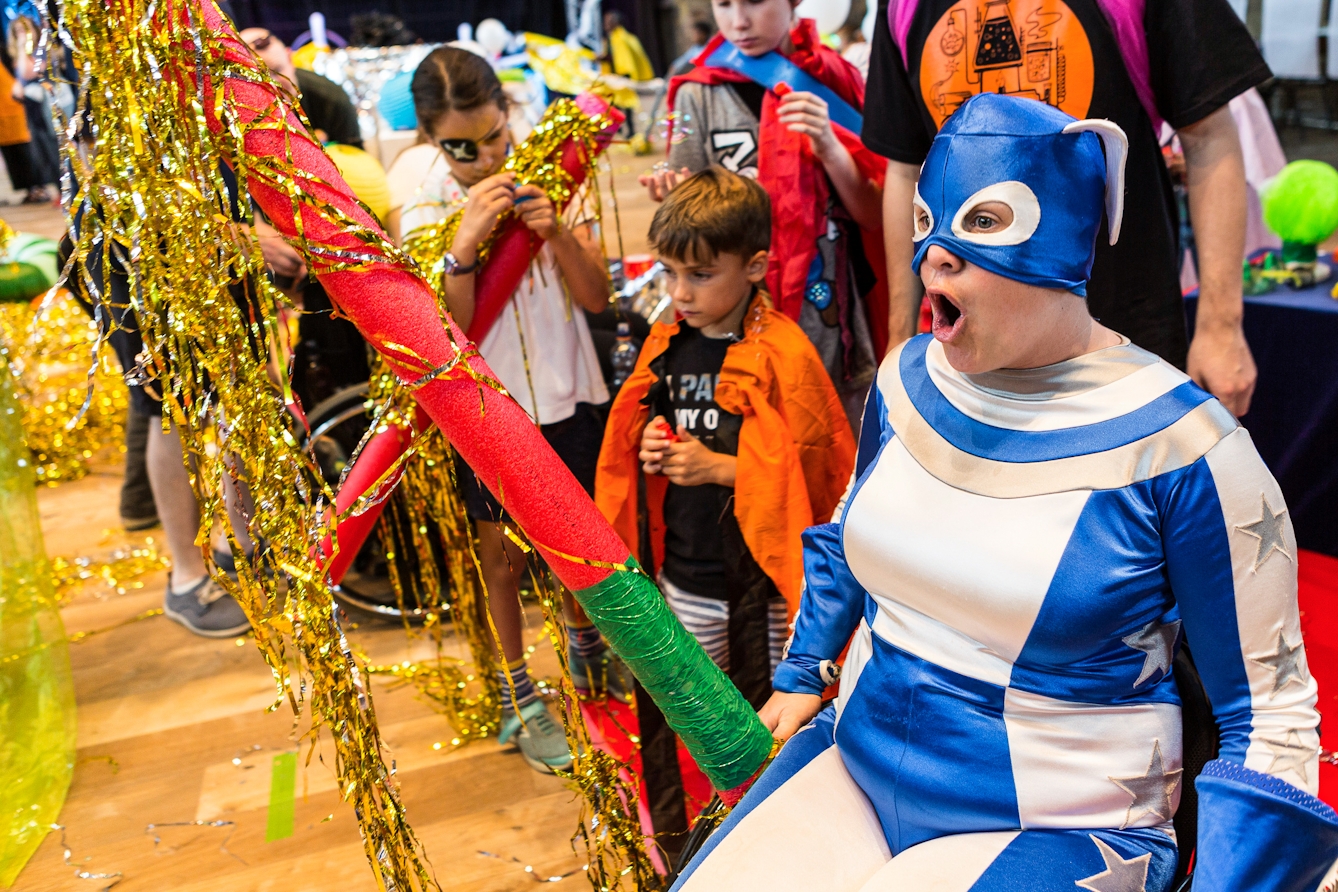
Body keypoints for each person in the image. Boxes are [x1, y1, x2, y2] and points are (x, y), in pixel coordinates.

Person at [671, 93, 1333, 892]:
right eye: (926, 222)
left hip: (1062, 823)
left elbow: (1268, 717)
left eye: (982, 222)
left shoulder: (1184, 447)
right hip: (857, 761)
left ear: (1067, 234)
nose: (933, 257)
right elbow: (850, 529)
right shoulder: (907, 380)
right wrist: (803, 668)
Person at [596, 168, 855, 854]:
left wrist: (722, 469)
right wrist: (646, 437)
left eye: (701, 275)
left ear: (756, 266)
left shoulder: (787, 354)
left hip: (765, 595)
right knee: (692, 717)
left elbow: (818, 477)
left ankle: (785, 845)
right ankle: (707, 845)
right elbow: (637, 435)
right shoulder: (668, 342)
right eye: (671, 273)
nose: (680, 293)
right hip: (687, 580)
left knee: (771, 721)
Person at [865, 0, 1270, 419]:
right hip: (967, 347)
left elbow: (1207, 135)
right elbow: (907, 166)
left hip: (1121, 336)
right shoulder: (904, 6)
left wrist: (1221, 326)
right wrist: (899, 346)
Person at [397, 46, 621, 775]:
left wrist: (555, 231)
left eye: (494, 136)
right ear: (431, 138)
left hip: (567, 387)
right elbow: (443, 336)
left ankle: (588, 656)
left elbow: (596, 299)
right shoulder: (424, 197)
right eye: (462, 146)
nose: (484, 156)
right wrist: (462, 246)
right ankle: (517, 697)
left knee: (581, 542)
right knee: (501, 560)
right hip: (484, 406)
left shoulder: (552, 168)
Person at [642, 0, 887, 431]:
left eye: (754, 2)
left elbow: (872, 214)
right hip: (732, 313)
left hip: (825, 315)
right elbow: (687, 214)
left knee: (829, 441)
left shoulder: (834, 78)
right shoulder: (695, 92)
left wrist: (830, 147)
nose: (738, 21)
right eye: (723, 4)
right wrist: (671, 193)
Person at [239, 28, 363, 149]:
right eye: (259, 77)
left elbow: (358, 161)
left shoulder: (331, 99)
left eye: (278, 71)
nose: (272, 84)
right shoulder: (239, 111)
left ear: (290, 59)